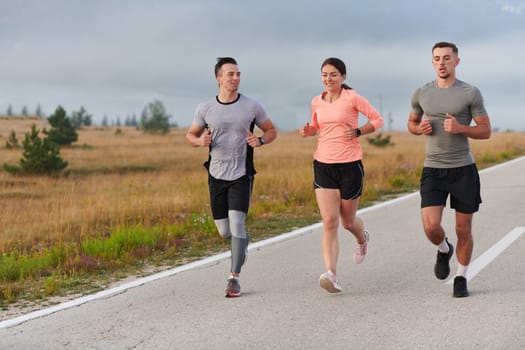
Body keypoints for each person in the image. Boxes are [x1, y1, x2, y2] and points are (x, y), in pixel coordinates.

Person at [186, 57, 277, 298]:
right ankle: (241, 241)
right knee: (225, 232)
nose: (235, 78)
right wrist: (199, 141)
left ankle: (233, 278)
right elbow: (191, 135)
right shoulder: (205, 108)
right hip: (216, 174)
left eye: (238, 74)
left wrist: (260, 140)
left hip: (241, 173)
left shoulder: (252, 107)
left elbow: (271, 130)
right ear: (218, 79)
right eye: (230, 74)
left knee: (237, 224)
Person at [407, 42, 491, 297]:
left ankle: (461, 277)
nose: (441, 63)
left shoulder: (469, 93)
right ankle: (444, 249)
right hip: (433, 169)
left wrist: (461, 128)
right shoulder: (422, 93)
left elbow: (485, 131)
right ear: (432, 62)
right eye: (436, 59)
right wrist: (418, 129)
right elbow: (411, 122)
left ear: (456, 61)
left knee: (463, 229)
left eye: (446, 58)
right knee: (431, 227)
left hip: (463, 169)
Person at [300, 57, 384, 293]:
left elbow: (378, 120)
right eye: (325, 75)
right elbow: (319, 126)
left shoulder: (352, 97)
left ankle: (362, 239)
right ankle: (331, 274)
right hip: (323, 164)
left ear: (343, 77)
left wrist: (358, 131)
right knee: (329, 221)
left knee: (348, 222)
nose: (328, 79)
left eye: (333, 75)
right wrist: (310, 131)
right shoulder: (317, 101)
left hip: (350, 166)